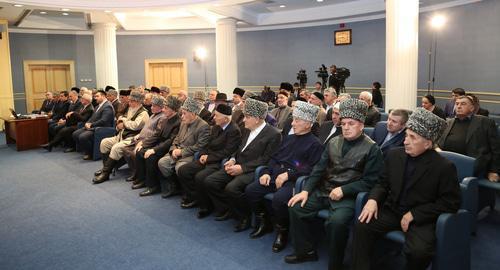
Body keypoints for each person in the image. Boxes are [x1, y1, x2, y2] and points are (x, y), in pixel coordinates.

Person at [352, 108, 461, 270]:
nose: (405, 141)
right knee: (362, 225)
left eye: (412, 137)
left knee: (419, 252)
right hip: (393, 210)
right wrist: (373, 200)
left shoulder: (444, 167)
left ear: (428, 143)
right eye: (406, 135)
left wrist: (414, 215)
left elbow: (450, 203)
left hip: (420, 219)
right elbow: (382, 183)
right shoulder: (395, 155)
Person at [285, 98, 384, 270]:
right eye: (343, 123)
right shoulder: (333, 141)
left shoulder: (372, 148)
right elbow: (318, 169)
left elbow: (372, 181)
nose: (345, 127)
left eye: (351, 123)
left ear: (361, 124)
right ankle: (305, 251)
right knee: (296, 207)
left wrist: (345, 189)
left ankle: (336, 264)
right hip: (324, 190)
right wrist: (306, 190)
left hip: (348, 196)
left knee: (336, 223)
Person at [245, 101, 324, 252]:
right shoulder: (288, 138)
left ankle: (283, 231)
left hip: (294, 182)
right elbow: (274, 158)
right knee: (251, 190)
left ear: (308, 124)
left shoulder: (316, 145)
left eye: (296, 120)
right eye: (293, 119)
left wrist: (289, 175)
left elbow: (312, 169)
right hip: (274, 175)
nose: (292, 123)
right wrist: (266, 172)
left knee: (279, 199)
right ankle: (265, 222)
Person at [199, 98, 282, 231]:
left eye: (247, 117)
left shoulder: (274, 134)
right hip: (237, 164)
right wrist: (232, 160)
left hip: (252, 170)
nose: (243, 120)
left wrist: (242, 168)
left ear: (257, 118)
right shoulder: (246, 129)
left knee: (232, 188)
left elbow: (267, 159)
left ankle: (245, 217)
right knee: (210, 181)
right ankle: (230, 209)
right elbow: (237, 149)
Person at [176, 104, 242, 211]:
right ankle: (194, 198)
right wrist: (202, 154)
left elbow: (227, 152)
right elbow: (207, 144)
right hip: (207, 158)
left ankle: (206, 206)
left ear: (225, 118)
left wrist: (209, 158)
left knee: (200, 177)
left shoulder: (234, 130)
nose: (213, 118)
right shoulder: (216, 127)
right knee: (184, 170)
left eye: (216, 116)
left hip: (218, 162)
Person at [437, 95, 500, 182]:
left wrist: (494, 171)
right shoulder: (448, 122)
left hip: (472, 167)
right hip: (447, 165)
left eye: (463, 104)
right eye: (457, 104)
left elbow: (496, 149)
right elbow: (439, 144)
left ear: (472, 108)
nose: (458, 106)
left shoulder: (485, 122)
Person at [157, 97, 210, 197]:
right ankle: (175, 186)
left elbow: (200, 146)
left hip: (190, 155)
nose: (182, 116)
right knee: (162, 163)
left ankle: (190, 194)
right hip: (177, 152)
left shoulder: (203, 126)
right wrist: (173, 149)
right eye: (182, 113)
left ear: (193, 113)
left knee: (180, 168)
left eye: (184, 113)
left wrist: (182, 152)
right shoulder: (184, 123)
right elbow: (176, 139)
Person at [93, 91, 149, 184]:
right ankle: (105, 168)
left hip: (132, 138)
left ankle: (106, 173)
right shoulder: (130, 108)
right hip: (121, 134)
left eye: (132, 101)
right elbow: (120, 118)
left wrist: (123, 122)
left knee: (116, 148)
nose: (129, 103)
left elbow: (135, 125)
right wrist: (121, 122)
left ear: (138, 102)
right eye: (130, 101)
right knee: (104, 142)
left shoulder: (143, 113)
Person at [134, 96, 182, 196]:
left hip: (168, 148)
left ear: (173, 110)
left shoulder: (178, 122)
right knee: (140, 151)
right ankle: (143, 180)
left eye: (165, 108)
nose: (163, 110)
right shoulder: (165, 119)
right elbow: (156, 135)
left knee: (151, 157)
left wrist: (154, 150)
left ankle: (153, 186)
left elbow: (170, 141)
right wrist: (144, 143)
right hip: (160, 145)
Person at [120, 95, 168, 185]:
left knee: (136, 152)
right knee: (125, 149)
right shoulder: (153, 115)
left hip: (149, 141)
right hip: (141, 139)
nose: (151, 107)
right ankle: (136, 173)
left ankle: (140, 176)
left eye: (154, 106)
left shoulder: (162, 117)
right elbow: (146, 128)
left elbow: (156, 134)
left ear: (161, 107)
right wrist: (138, 135)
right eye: (152, 105)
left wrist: (143, 142)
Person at [72, 90, 115, 160]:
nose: (95, 98)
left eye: (97, 96)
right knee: (75, 134)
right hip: (93, 126)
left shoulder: (108, 106)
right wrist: (87, 123)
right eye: (95, 96)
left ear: (103, 96)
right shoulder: (98, 106)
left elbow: (104, 121)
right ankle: (88, 150)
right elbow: (92, 117)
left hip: (101, 128)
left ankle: (90, 153)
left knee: (83, 137)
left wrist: (91, 125)